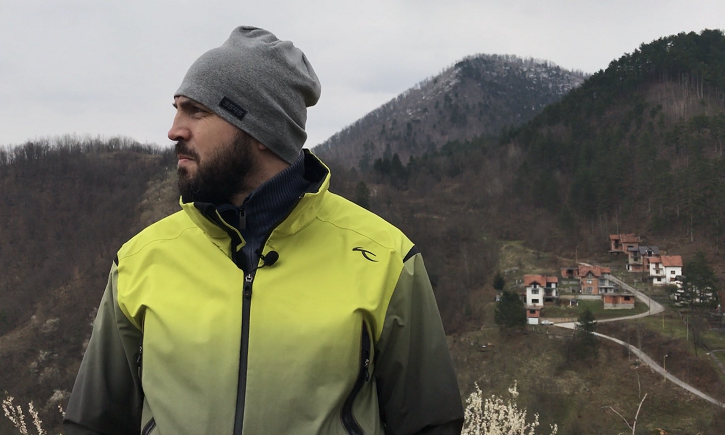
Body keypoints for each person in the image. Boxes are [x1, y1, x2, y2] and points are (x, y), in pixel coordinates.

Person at [64, 26, 463, 435]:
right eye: (177, 108)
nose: (174, 130)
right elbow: (93, 425)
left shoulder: (387, 259)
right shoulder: (138, 262)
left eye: (196, 111)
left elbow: (430, 425)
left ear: (260, 131)